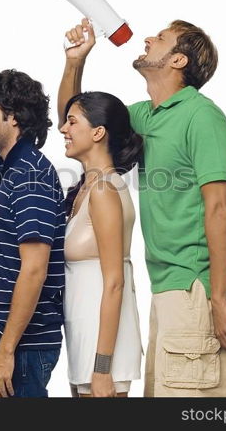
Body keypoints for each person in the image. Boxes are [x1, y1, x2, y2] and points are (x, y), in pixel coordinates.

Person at [59, 18, 226, 397]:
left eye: (159, 38)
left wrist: (220, 296)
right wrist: (75, 63)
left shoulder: (202, 117)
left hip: (196, 289)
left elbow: (222, 209)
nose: (146, 39)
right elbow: (79, 122)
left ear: (178, 61)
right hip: (165, 289)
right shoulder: (147, 115)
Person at [0, 69, 66, 398]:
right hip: (13, 341)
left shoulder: (29, 174)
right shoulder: (16, 171)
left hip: (22, 346)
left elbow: (34, 268)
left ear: (12, 117)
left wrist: (6, 351)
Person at [59, 91, 144, 397]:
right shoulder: (87, 187)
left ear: (98, 132)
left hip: (103, 350)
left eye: (72, 121)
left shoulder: (105, 189)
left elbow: (115, 283)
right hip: (85, 339)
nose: (63, 129)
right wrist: (73, 62)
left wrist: (102, 367)